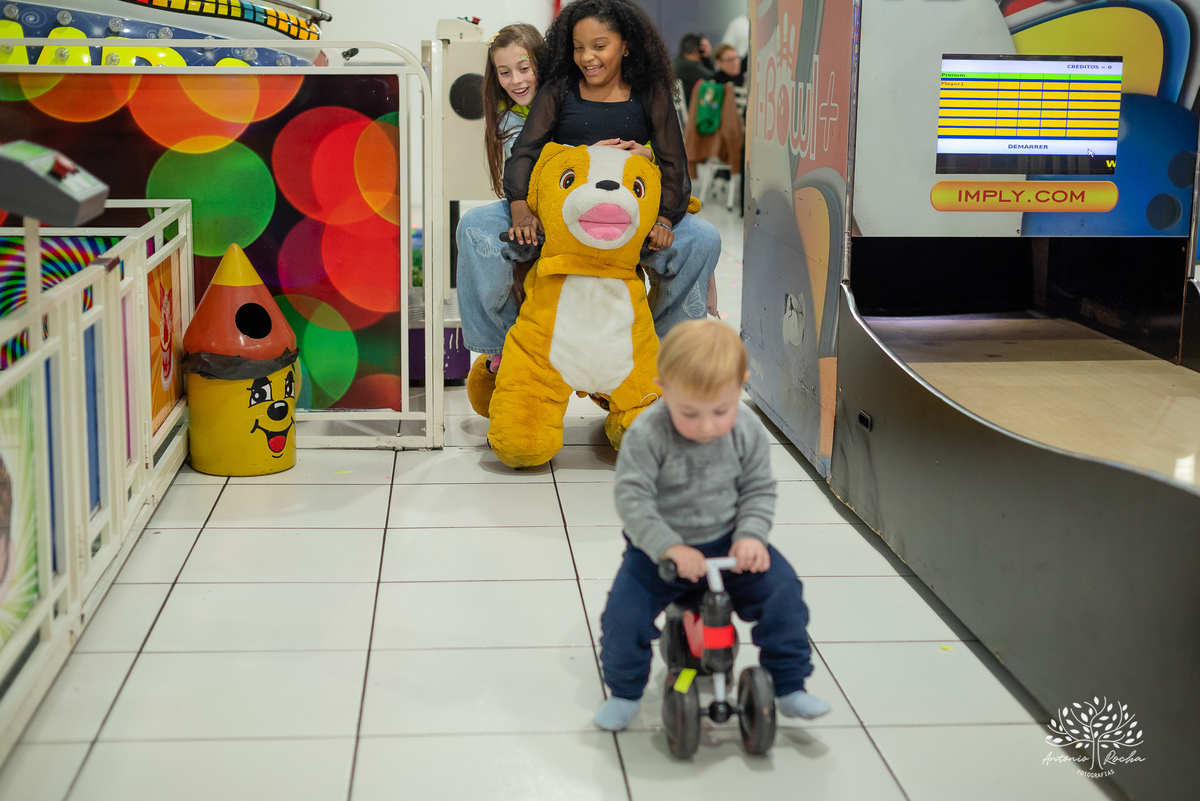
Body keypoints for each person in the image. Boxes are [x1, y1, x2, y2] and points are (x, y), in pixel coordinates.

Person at [593, 320, 831, 731]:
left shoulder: (746, 431)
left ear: (741, 386)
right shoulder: (648, 433)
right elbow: (632, 498)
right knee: (623, 616)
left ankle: (789, 686)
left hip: (729, 545)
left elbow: (758, 489)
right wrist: (668, 547)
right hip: (661, 553)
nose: (706, 426)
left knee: (785, 593)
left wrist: (751, 536)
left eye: (719, 411)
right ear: (663, 389)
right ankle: (625, 693)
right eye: (690, 413)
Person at [502, 0, 720, 342]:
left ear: (627, 45)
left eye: (599, 46)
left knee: (705, 238)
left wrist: (664, 219)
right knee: (474, 228)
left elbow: (673, 165)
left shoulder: (650, 93)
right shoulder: (560, 90)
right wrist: (519, 208)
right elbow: (525, 153)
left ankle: (664, 348)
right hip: (565, 217)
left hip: (628, 220)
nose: (587, 57)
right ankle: (501, 348)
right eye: (578, 48)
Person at [455, 24, 545, 394]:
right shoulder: (507, 117)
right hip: (526, 211)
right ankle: (503, 344)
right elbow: (516, 186)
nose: (516, 80)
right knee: (473, 224)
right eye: (504, 72)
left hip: (568, 214)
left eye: (524, 68)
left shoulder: (569, 106)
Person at [671, 32, 715, 107]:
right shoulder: (690, 66)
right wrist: (707, 57)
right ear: (696, 49)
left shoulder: (677, 61)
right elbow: (714, 79)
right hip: (691, 111)